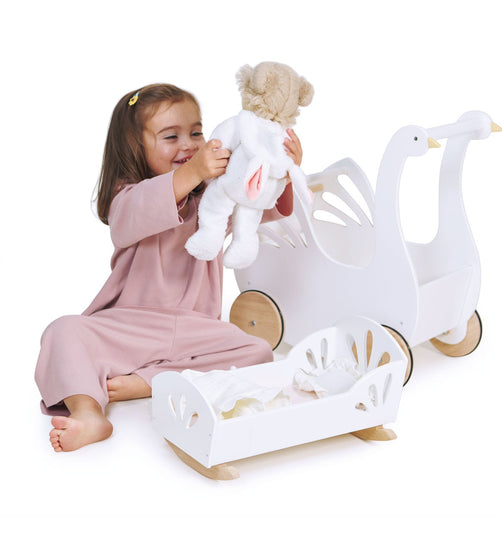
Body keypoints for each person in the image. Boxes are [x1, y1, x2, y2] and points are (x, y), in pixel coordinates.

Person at [35, 83, 302, 452]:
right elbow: (136, 213)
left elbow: (261, 205)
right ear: (135, 146)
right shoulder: (125, 198)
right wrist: (193, 171)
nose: (189, 145)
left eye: (196, 132)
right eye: (171, 136)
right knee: (62, 330)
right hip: (131, 325)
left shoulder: (215, 198)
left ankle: (149, 381)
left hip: (196, 327)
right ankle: (88, 412)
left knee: (258, 352)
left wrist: (281, 172)